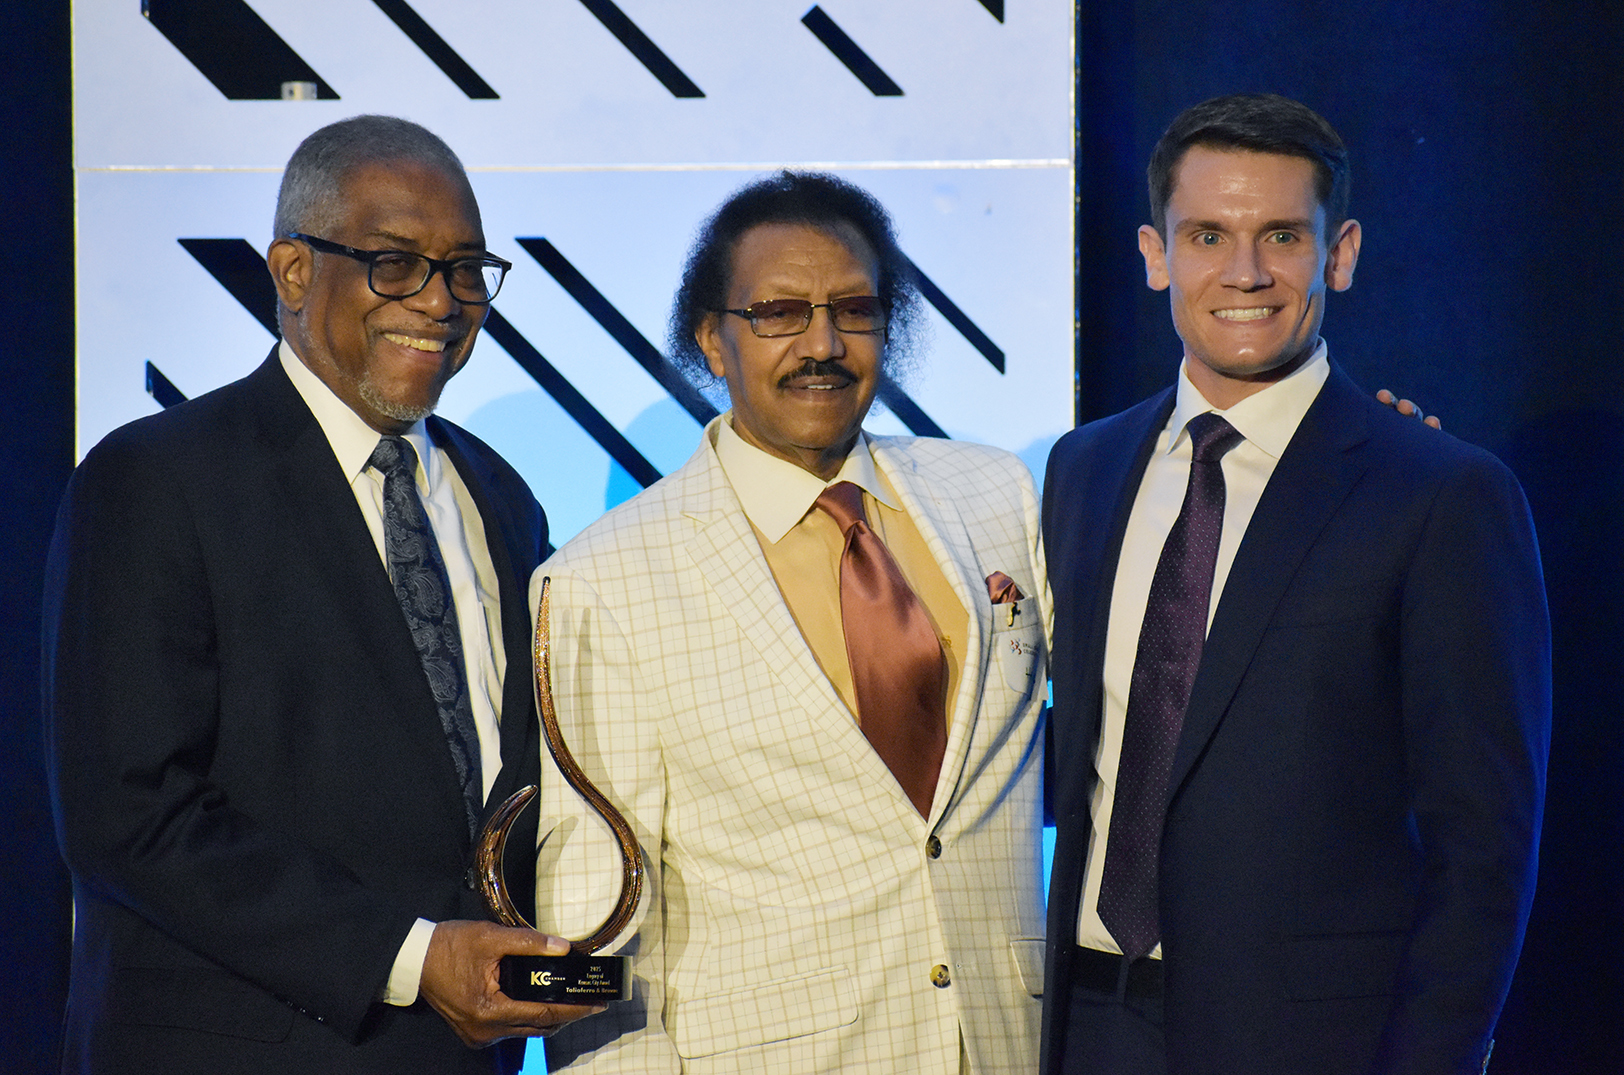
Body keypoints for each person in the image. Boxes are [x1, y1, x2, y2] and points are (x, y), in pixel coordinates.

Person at [43, 114, 596, 1074]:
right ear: (294, 271)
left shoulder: (500, 495)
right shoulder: (157, 478)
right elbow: (127, 815)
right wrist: (416, 958)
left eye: (467, 269)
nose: (440, 301)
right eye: (395, 263)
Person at [1040, 93, 1550, 1075]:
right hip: (1081, 1027)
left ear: (1340, 253)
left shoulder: (1442, 494)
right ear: (1155, 255)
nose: (1243, 271)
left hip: (1316, 1043)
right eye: (1206, 235)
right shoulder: (1082, 469)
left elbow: (1481, 849)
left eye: (1281, 234)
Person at [529, 171, 1049, 1073]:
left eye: (854, 310)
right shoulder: (601, 581)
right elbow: (589, 919)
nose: (822, 343)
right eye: (778, 313)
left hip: (1010, 1041)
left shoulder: (995, 494)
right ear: (713, 341)